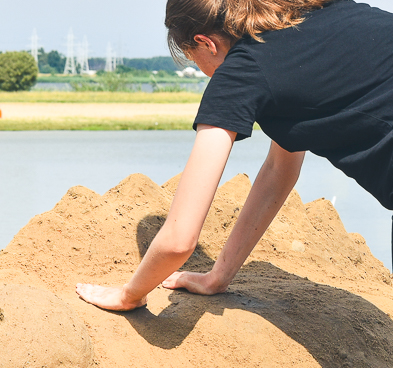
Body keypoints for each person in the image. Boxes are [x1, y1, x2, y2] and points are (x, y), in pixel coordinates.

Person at [76, 0, 393, 326]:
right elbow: (278, 169)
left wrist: (129, 295)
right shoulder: (317, 12)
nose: (203, 71)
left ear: (205, 42)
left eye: (192, 58)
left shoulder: (242, 69)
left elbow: (178, 240)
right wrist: (219, 276)